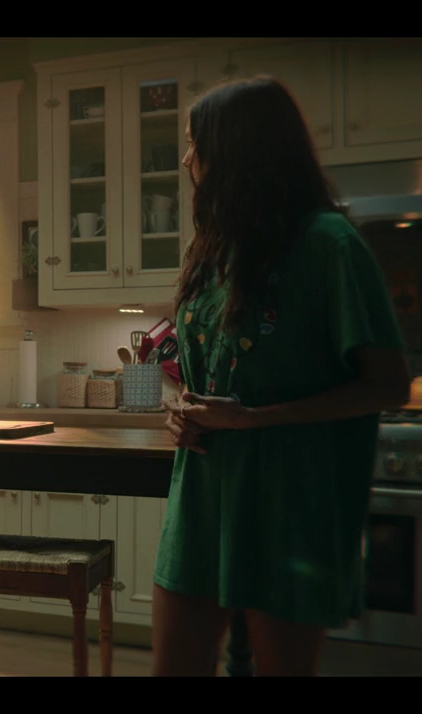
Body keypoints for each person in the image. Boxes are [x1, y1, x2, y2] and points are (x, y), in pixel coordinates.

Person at [155, 77, 410, 676]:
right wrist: (181, 410)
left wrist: (254, 419)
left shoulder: (330, 244)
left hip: (291, 505)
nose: (187, 159)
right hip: (203, 498)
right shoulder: (213, 248)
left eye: (196, 143)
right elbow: (208, 368)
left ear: (238, 149)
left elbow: (389, 384)